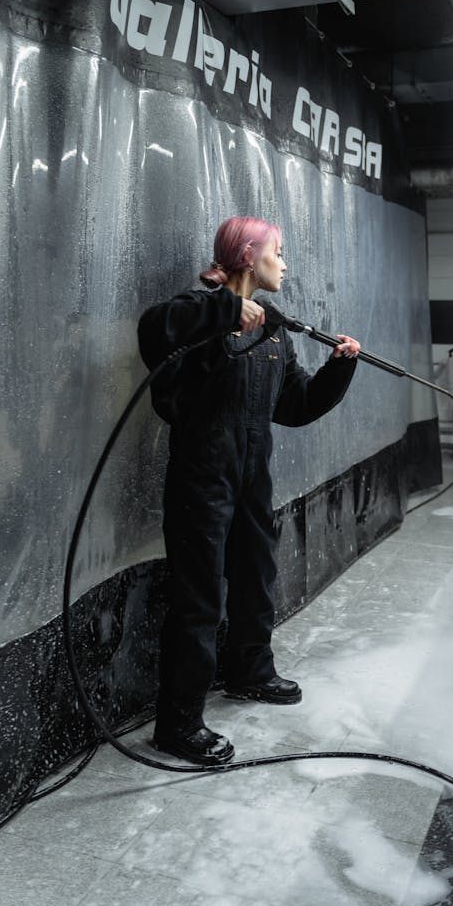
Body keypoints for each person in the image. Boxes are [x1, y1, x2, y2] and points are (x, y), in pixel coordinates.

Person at [137, 216, 360, 766]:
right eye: (278, 253)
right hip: (202, 477)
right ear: (248, 255)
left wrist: (337, 370)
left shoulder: (274, 332)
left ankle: (249, 671)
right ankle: (179, 724)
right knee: (199, 599)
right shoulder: (197, 309)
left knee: (256, 572)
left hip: (251, 476)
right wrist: (223, 310)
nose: (284, 264)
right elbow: (154, 329)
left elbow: (296, 405)